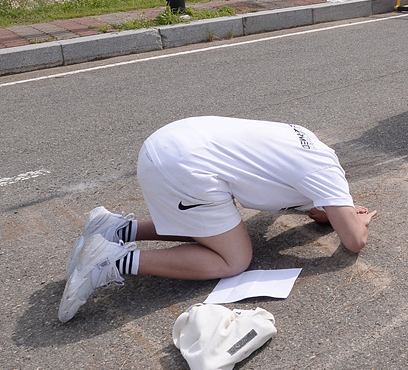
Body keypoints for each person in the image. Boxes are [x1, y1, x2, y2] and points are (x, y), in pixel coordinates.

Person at [59, 116, 377, 322]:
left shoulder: (305, 143)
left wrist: (334, 214)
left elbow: (318, 213)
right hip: (183, 167)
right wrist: (356, 222)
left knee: (216, 224)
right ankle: (111, 262)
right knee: (235, 258)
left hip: (168, 142)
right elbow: (353, 241)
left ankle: (115, 229)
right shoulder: (328, 176)